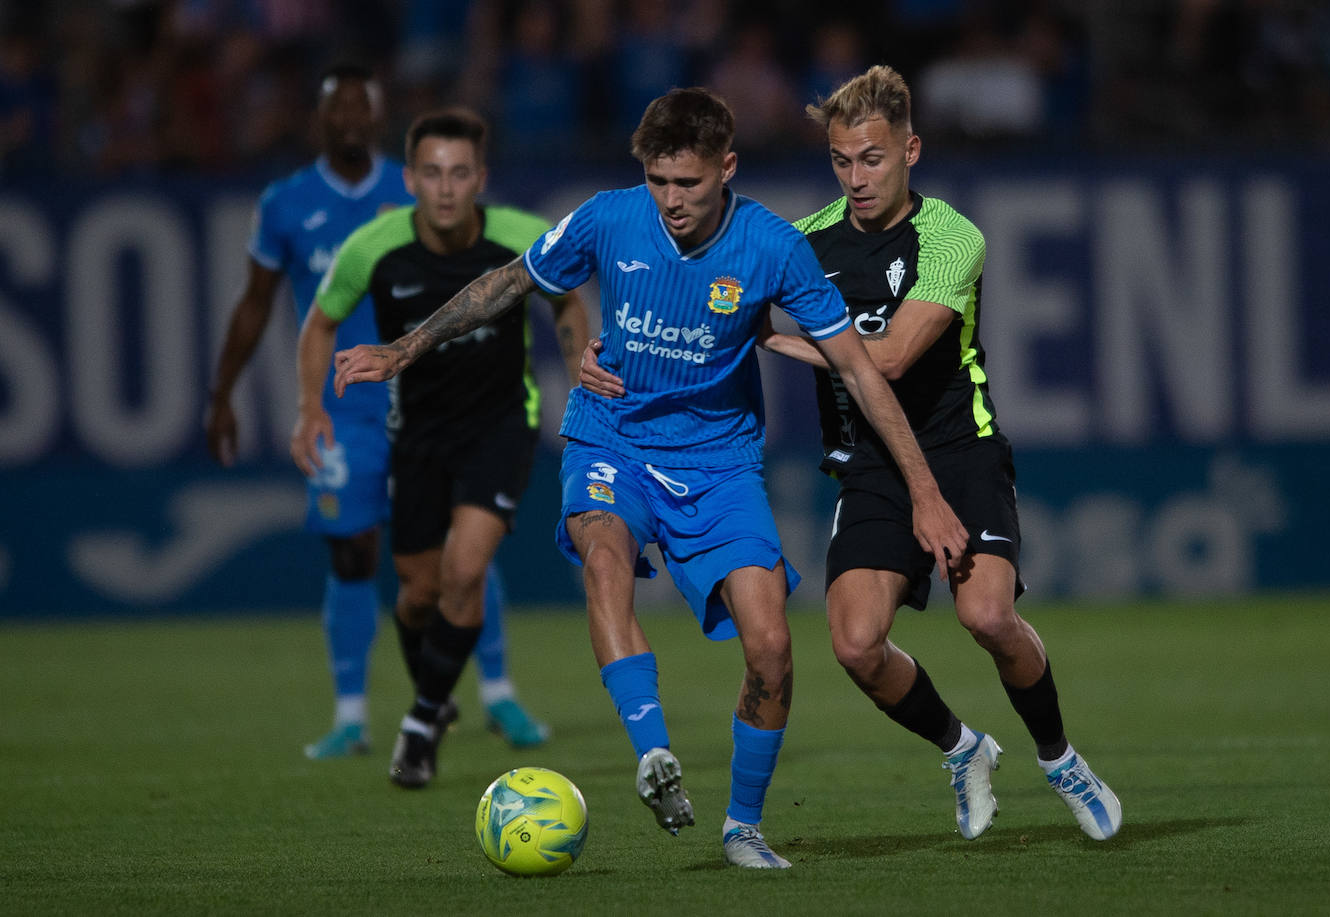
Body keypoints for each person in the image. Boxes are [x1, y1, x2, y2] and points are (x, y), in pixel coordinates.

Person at [331, 88, 967, 868]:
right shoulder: (608, 216)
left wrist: (927, 492)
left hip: (720, 461)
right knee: (604, 559)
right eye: (659, 181)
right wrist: (406, 347)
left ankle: (741, 828)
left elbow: (863, 376)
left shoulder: (773, 248)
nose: (671, 200)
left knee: (771, 644)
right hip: (613, 442)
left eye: (688, 184)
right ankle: (652, 751)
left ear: (726, 168)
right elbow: (507, 282)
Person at [767, 65, 1124, 840]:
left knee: (988, 614)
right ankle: (963, 749)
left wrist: (776, 340)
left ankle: (1059, 756)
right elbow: (711, 296)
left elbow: (888, 359)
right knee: (856, 643)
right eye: (841, 160)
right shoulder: (803, 241)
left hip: (960, 447)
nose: (856, 178)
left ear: (911, 150)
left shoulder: (953, 236)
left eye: (872, 158)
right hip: (873, 461)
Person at [206, 65, 548, 761]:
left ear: (380, 116)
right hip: (346, 406)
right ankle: (352, 713)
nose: (353, 122)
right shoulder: (285, 203)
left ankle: (499, 693)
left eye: (366, 110)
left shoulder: (421, 183)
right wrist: (225, 393)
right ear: (320, 118)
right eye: (340, 110)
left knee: (467, 548)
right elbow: (257, 302)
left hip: (437, 399)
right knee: (354, 549)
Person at [292, 107, 588, 789]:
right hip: (418, 436)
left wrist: (581, 392)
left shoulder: (522, 239)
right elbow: (319, 324)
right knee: (419, 594)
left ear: (480, 178)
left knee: (465, 569)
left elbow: (568, 303)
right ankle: (437, 689)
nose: (447, 188)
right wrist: (309, 407)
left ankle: (422, 722)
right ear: (410, 178)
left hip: (501, 427)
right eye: (432, 173)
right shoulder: (374, 247)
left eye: (460, 173)